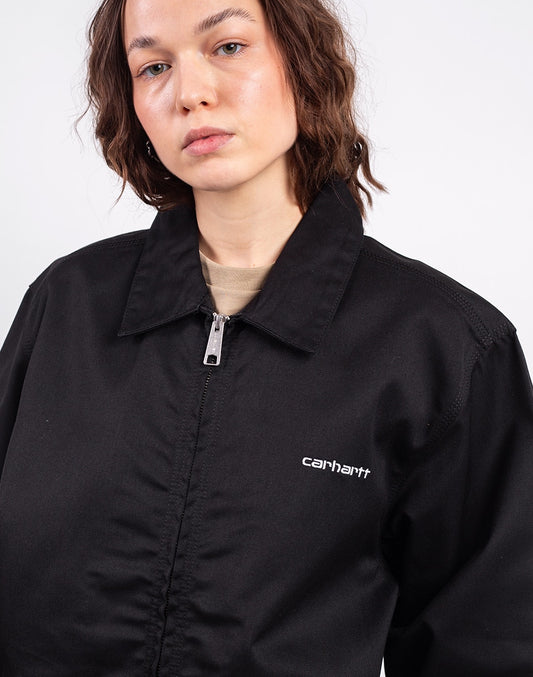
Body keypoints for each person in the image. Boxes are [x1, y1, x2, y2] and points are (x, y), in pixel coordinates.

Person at [0, 0, 531, 675]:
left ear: (300, 60)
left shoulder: (444, 347)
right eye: (153, 66)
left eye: (227, 46)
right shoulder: (65, 305)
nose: (190, 92)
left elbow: (485, 643)